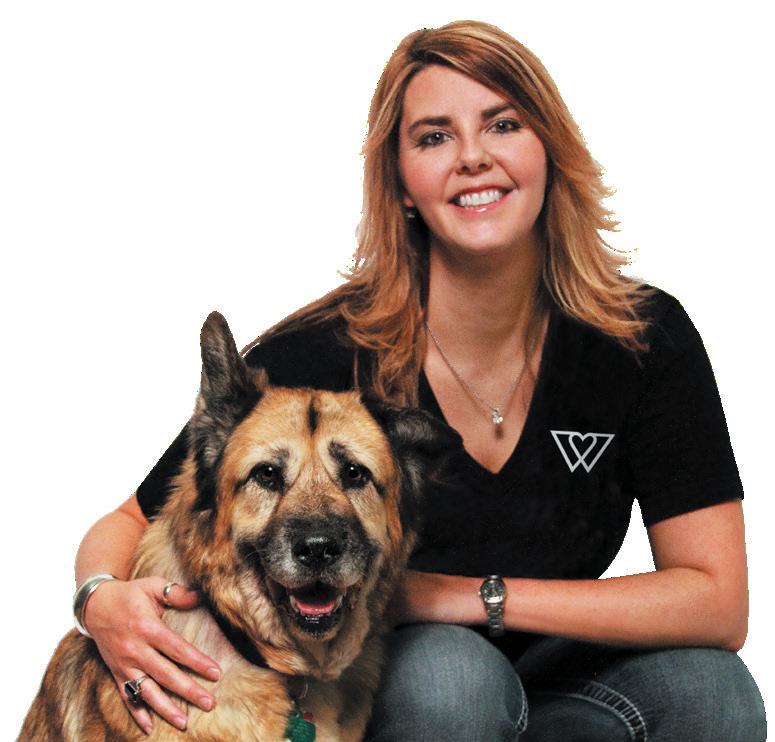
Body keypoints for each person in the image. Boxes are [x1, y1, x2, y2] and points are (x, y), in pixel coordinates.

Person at [73, 19, 766, 741]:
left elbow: (717, 603)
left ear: (549, 150)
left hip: (572, 678)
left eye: (502, 124)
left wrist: (470, 598)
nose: (472, 157)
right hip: (414, 692)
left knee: (713, 693)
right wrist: (100, 601)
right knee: (448, 679)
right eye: (435, 137)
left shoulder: (642, 336)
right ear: (402, 184)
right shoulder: (320, 357)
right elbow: (128, 522)